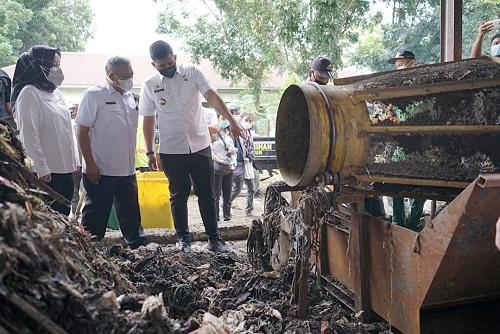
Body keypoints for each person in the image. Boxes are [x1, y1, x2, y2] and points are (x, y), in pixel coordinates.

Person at [140, 40, 242, 253]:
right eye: (162, 66)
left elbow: (212, 96)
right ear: (154, 64)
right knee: (178, 193)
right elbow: (148, 119)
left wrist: (232, 120)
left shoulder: (192, 72)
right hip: (171, 149)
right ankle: (183, 239)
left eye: (169, 63)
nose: (167, 67)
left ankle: (214, 239)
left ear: (175, 57)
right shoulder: (149, 85)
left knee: (207, 192)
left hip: (200, 145)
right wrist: (150, 151)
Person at [76, 56, 147, 249]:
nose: (130, 79)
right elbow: (82, 131)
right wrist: (90, 164)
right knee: (95, 217)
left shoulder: (129, 96)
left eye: (131, 75)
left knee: (131, 214)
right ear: (111, 76)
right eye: (125, 76)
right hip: (100, 169)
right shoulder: (94, 95)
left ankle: (138, 249)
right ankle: (88, 251)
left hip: (126, 169)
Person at [12, 45, 77, 215]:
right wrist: (41, 166)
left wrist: (74, 160)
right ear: (38, 65)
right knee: (49, 215)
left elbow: (67, 129)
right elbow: (28, 134)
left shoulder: (57, 93)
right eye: (54, 64)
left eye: (59, 64)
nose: (58, 69)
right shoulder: (28, 93)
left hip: (65, 167)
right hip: (46, 172)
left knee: (64, 211)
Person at [387, 49, 426, 230]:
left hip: (421, 145)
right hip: (400, 145)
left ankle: (413, 221)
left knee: (422, 185)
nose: (397, 66)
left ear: (412, 61)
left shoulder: (423, 80)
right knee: (395, 185)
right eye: (396, 63)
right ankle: (398, 223)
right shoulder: (394, 86)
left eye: (400, 62)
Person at [211, 114, 237, 223]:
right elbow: (210, 150)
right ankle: (215, 216)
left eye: (226, 119)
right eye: (222, 119)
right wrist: (218, 160)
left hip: (229, 166)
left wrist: (233, 151)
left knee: (227, 193)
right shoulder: (213, 134)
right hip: (217, 167)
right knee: (216, 194)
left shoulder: (229, 134)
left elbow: (233, 150)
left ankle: (227, 216)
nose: (225, 121)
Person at [230, 112, 256, 217]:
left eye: (250, 121)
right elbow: (234, 148)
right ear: (241, 120)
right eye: (246, 120)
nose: (248, 123)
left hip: (248, 163)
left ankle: (249, 210)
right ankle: (226, 203)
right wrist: (241, 158)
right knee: (238, 188)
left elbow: (251, 148)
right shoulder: (236, 132)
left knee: (251, 188)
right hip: (239, 163)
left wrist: (249, 157)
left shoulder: (249, 133)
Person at [69, 103, 83, 218]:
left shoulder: (76, 125)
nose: (71, 112)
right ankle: (74, 214)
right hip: (77, 163)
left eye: (72, 110)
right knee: (75, 190)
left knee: (79, 190)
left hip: (82, 163)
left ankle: (76, 214)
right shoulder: (73, 125)